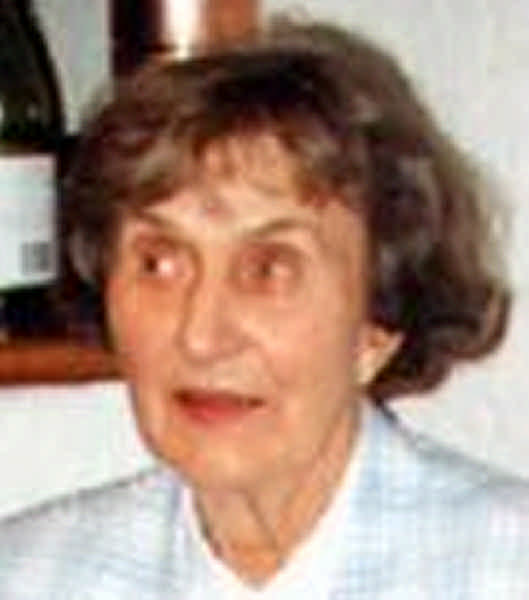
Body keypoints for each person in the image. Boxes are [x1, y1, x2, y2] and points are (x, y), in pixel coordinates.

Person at [1, 17, 528, 599]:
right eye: (159, 263)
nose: (201, 336)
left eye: (270, 269)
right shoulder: (31, 576)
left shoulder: (503, 570)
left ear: (377, 326)